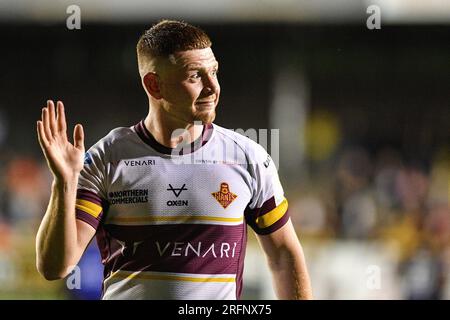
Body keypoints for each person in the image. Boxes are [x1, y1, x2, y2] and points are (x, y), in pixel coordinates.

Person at [35, 20, 313, 300]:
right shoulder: (107, 159)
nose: (212, 87)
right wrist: (64, 182)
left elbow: (283, 254)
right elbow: (55, 267)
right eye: (195, 76)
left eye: (214, 72)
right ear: (154, 85)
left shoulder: (248, 158)